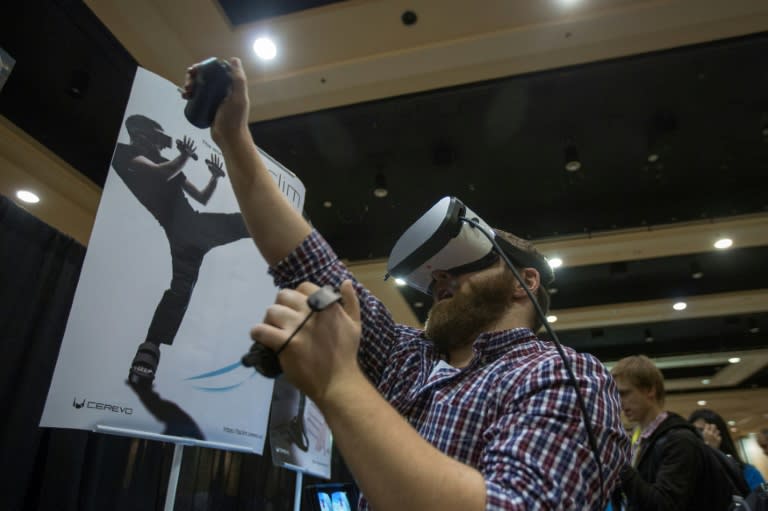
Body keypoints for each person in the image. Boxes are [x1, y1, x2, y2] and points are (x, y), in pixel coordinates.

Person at [188, 57, 629, 510]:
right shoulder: (408, 357)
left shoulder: (561, 374)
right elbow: (304, 259)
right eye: (435, 273)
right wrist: (234, 139)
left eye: (462, 265)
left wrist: (340, 383)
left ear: (524, 282)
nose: (440, 279)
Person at [111, 114, 250, 386]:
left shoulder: (164, 160)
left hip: (190, 229)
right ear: (141, 134)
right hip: (181, 229)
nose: (163, 145)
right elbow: (157, 174)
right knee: (242, 223)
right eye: (158, 136)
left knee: (180, 291)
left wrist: (214, 176)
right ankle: (149, 352)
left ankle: (150, 348)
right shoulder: (125, 153)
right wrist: (184, 157)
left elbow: (201, 196)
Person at [610, 355, 738, 510]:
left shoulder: (679, 440)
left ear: (650, 390)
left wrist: (621, 463)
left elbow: (664, 505)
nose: (619, 402)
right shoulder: (641, 439)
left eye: (624, 393)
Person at [689, 408, 766, 491]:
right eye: (695, 432)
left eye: (704, 431)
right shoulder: (688, 474)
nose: (699, 437)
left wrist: (712, 452)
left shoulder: (748, 473)